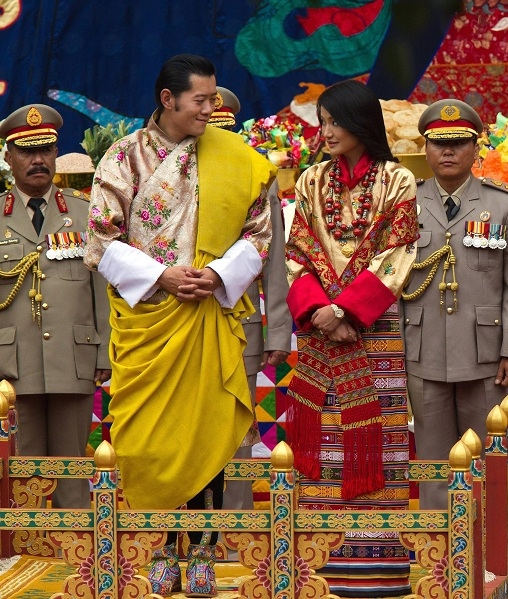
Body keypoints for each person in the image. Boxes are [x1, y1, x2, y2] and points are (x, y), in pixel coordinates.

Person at [83, 55, 277, 596]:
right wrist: (162, 276)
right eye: (201, 100)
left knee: (206, 433)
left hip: (209, 315)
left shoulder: (237, 158)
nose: (211, 108)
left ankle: (205, 549)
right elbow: (100, 240)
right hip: (148, 320)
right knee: (152, 440)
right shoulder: (124, 159)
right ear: (168, 99)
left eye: (215, 98)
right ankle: (165, 542)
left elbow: (260, 234)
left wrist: (215, 275)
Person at [285, 79, 419, 599]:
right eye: (323, 121)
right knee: (322, 429)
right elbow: (298, 252)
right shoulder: (310, 180)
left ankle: (379, 557)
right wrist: (319, 310)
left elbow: (398, 252)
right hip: (320, 325)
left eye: (336, 121)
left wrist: (347, 310)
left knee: (377, 430)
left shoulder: (398, 180)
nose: (328, 131)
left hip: (372, 324)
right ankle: (319, 556)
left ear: (362, 123)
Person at [399, 98, 508, 510]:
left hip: (485, 353)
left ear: (477, 148)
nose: (448, 152)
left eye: (459, 142)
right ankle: (440, 556)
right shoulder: (406, 203)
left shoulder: (505, 203)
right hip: (422, 350)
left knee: (487, 458)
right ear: (424, 148)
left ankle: (490, 551)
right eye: (439, 143)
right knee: (435, 461)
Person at [0, 104, 111, 509]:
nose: (37, 160)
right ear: (8, 156)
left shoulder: (84, 214)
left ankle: (77, 556)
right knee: (19, 470)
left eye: (45, 150)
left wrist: (104, 351)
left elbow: (102, 291)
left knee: (71, 471)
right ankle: (21, 560)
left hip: (73, 357)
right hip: (11, 367)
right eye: (27, 152)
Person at [208, 87, 292, 523]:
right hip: (179, 322)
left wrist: (278, 330)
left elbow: (273, 262)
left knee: (239, 430)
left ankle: (232, 528)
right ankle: (189, 529)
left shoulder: (257, 177)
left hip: (242, 322)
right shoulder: (170, 175)